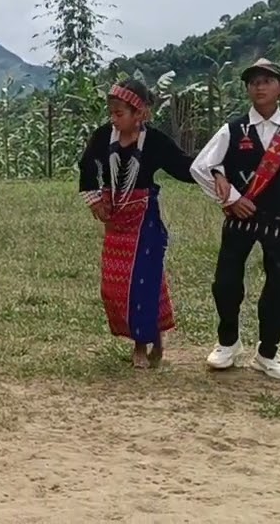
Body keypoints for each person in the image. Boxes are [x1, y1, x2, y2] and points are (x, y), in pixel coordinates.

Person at [190, 58, 280, 380]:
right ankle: (227, 343)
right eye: (253, 81)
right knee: (226, 281)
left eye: (267, 80)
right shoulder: (233, 130)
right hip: (241, 217)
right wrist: (231, 197)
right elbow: (200, 167)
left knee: (279, 285)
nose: (259, 86)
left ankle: (268, 353)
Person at [78, 79, 196, 369]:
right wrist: (94, 199)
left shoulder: (154, 142)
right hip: (116, 219)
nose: (114, 119)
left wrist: (217, 170)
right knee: (114, 286)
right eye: (112, 113)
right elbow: (87, 166)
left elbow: (183, 167)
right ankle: (151, 334)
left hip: (145, 219)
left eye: (120, 113)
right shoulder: (104, 137)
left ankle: (142, 345)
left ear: (139, 114)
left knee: (143, 281)